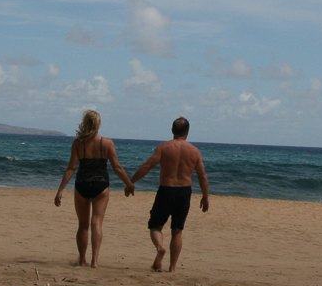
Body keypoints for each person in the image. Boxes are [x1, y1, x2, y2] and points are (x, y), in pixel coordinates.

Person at [126, 116, 209, 273]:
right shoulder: (194, 151)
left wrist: (131, 183)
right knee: (177, 230)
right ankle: (172, 268)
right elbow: (202, 176)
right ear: (188, 132)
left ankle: (160, 247)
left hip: (166, 190)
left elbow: (147, 166)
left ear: (172, 130)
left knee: (155, 226)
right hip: (184, 192)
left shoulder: (164, 147)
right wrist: (205, 197)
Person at [54, 110, 133, 268]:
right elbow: (117, 167)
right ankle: (94, 261)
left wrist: (61, 189)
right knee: (96, 223)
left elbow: (71, 167)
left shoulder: (78, 144)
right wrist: (128, 183)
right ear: (99, 124)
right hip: (101, 185)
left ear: (85, 123)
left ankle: (82, 260)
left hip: (82, 184)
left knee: (83, 225)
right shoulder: (107, 143)